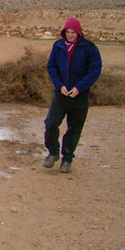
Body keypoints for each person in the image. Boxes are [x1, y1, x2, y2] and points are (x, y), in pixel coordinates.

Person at [43, 17, 102, 173]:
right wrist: (59, 85)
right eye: (68, 32)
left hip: (79, 95)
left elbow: (94, 71)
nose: (70, 35)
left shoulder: (89, 48)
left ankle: (67, 159)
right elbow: (52, 66)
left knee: (74, 128)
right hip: (61, 94)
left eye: (73, 32)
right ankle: (53, 152)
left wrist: (79, 88)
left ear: (78, 32)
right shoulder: (58, 46)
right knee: (51, 123)